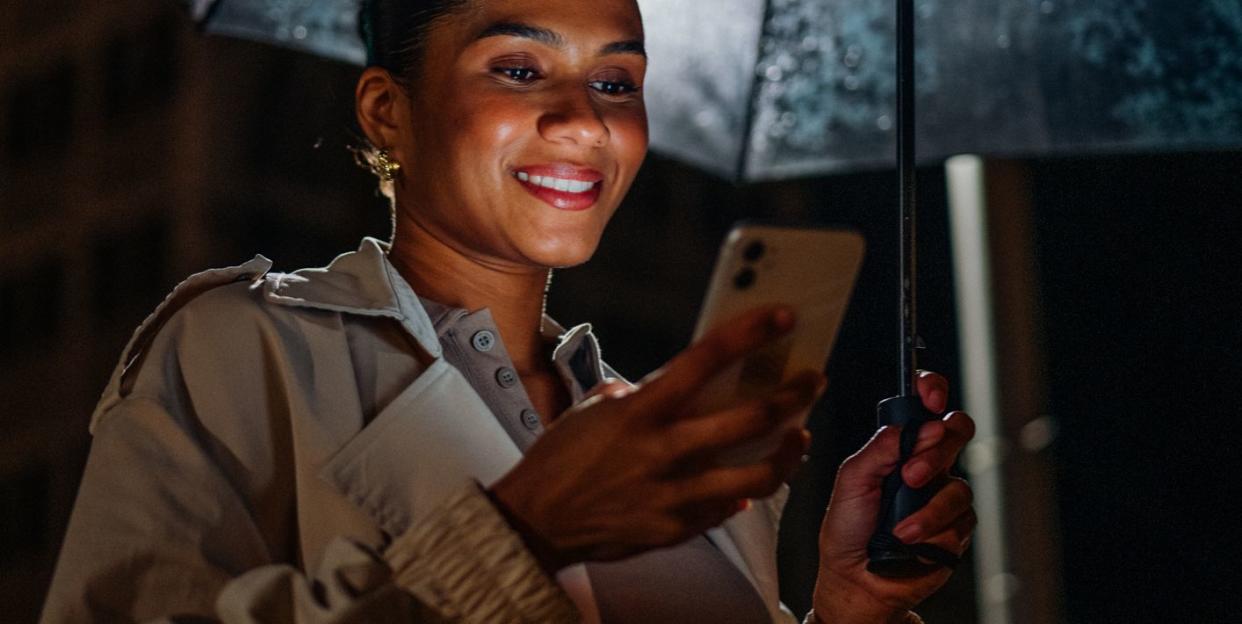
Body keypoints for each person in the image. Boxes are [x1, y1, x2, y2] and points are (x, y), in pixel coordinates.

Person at [41, 0, 976, 622]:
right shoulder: (246, 347)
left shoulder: (663, 437)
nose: (584, 122)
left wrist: (848, 609)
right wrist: (520, 533)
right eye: (520, 70)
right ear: (386, 111)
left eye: (616, 83)